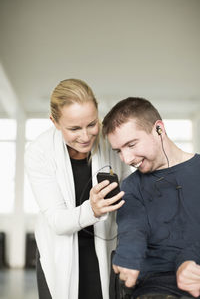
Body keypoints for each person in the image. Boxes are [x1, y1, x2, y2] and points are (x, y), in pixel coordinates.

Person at [25, 79, 130, 299]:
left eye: (92, 124)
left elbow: (128, 194)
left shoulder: (109, 140)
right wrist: (92, 210)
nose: (85, 136)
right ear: (54, 121)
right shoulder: (39, 151)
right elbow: (56, 221)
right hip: (59, 252)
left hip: (104, 248)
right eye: (74, 128)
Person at [102, 97, 200, 299]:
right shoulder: (131, 185)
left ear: (159, 130)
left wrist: (189, 261)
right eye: (119, 151)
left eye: (131, 144)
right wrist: (128, 255)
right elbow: (132, 228)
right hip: (157, 283)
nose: (127, 159)